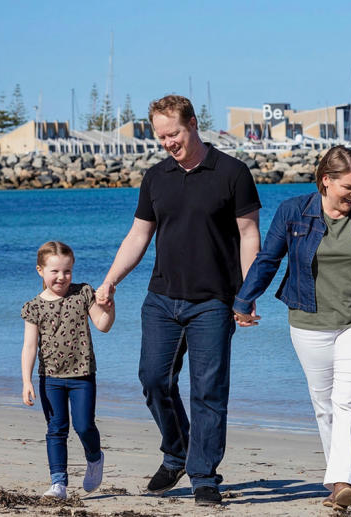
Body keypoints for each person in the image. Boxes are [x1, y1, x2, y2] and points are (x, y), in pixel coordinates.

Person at [96, 94, 261, 506]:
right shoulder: (156, 177)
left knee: (208, 390)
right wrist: (111, 280)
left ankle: (203, 474)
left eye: (173, 134)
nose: (168, 142)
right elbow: (138, 235)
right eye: (161, 136)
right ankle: (177, 451)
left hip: (214, 302)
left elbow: (248, 235)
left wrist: (247, 292)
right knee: (153, 379)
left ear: (193, 124)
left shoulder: (232, 173)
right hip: (161, 297)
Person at [233, 145, 351, 511]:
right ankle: (337, 480)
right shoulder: (293, 212)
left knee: (350, 400)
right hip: (309, 320)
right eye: (348, 186)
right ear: (326, 181)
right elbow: (268, 259)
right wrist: (244, 298)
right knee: (324, 404)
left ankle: (345, 481)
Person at [20, 241, 115, 499]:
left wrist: (109, 306)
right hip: (50, 377)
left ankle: (94, 458)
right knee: (56, 428)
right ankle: (58, 483)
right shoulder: (34, 307)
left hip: (82, 375)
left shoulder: (83, 293)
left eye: (67, 271)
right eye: (55, 271)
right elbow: (29, 347)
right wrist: (26, 381)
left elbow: (103, 325)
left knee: (84, 426)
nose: (62, 277)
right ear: (40, 270)